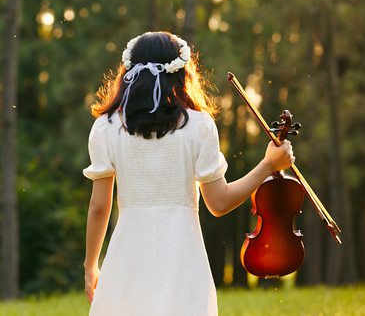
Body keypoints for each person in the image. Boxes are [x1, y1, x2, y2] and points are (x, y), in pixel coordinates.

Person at [82, 31, 294, 316]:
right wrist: (267, 165)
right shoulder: (198, 126)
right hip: (182, 258)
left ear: (129, 72)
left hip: (128, 257)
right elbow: (219, 203)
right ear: (181, 72)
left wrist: (91, 265)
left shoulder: (106, 128)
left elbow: (99, 208)